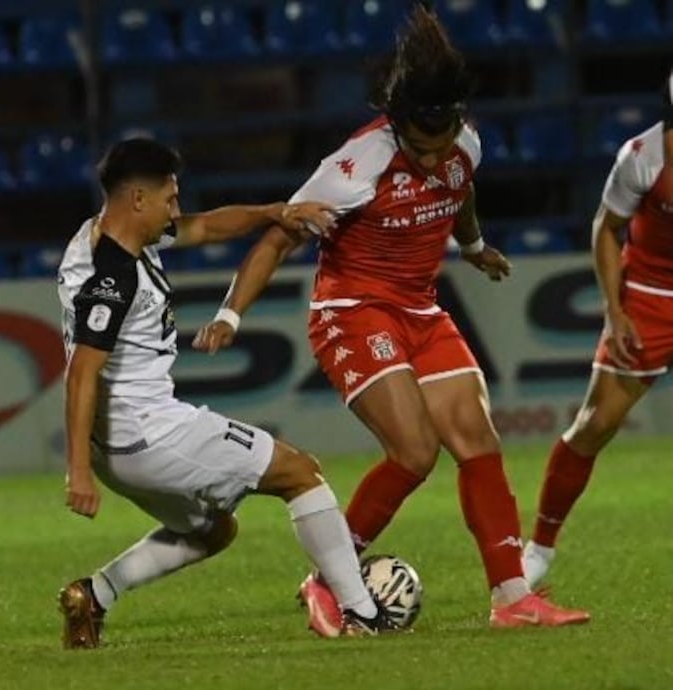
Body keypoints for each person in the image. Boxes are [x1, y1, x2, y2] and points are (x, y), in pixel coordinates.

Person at [193, 6, 589, 628]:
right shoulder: (356, 166)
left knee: (477, 440)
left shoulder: (463, 147)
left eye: (441, 144)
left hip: (419, 309)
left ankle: (513, 600)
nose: (432, 160)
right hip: (351, 311)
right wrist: (231, 315)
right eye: (420, 148)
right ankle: (328, 582)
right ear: (399, 126)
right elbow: (277, 236)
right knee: (413, 451)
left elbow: (460, 194)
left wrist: (473, 245)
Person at [56, 137, 400, 649]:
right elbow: (82, 373)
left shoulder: (98, 237)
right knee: (300, 474)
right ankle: (362, 612)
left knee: (213, 531)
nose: (176, 209)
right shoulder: (114, 277)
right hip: (150, 435)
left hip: (118, 447)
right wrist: (77, 471)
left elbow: (208, 224)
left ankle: (95, 594)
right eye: (169, 198)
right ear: (137, 199)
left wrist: (277, 212)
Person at [523, 73, 673, 585]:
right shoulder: (643, 156)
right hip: (651, 295)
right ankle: (539, 548)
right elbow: (606, 229)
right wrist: (616, 310)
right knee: (594, 425)